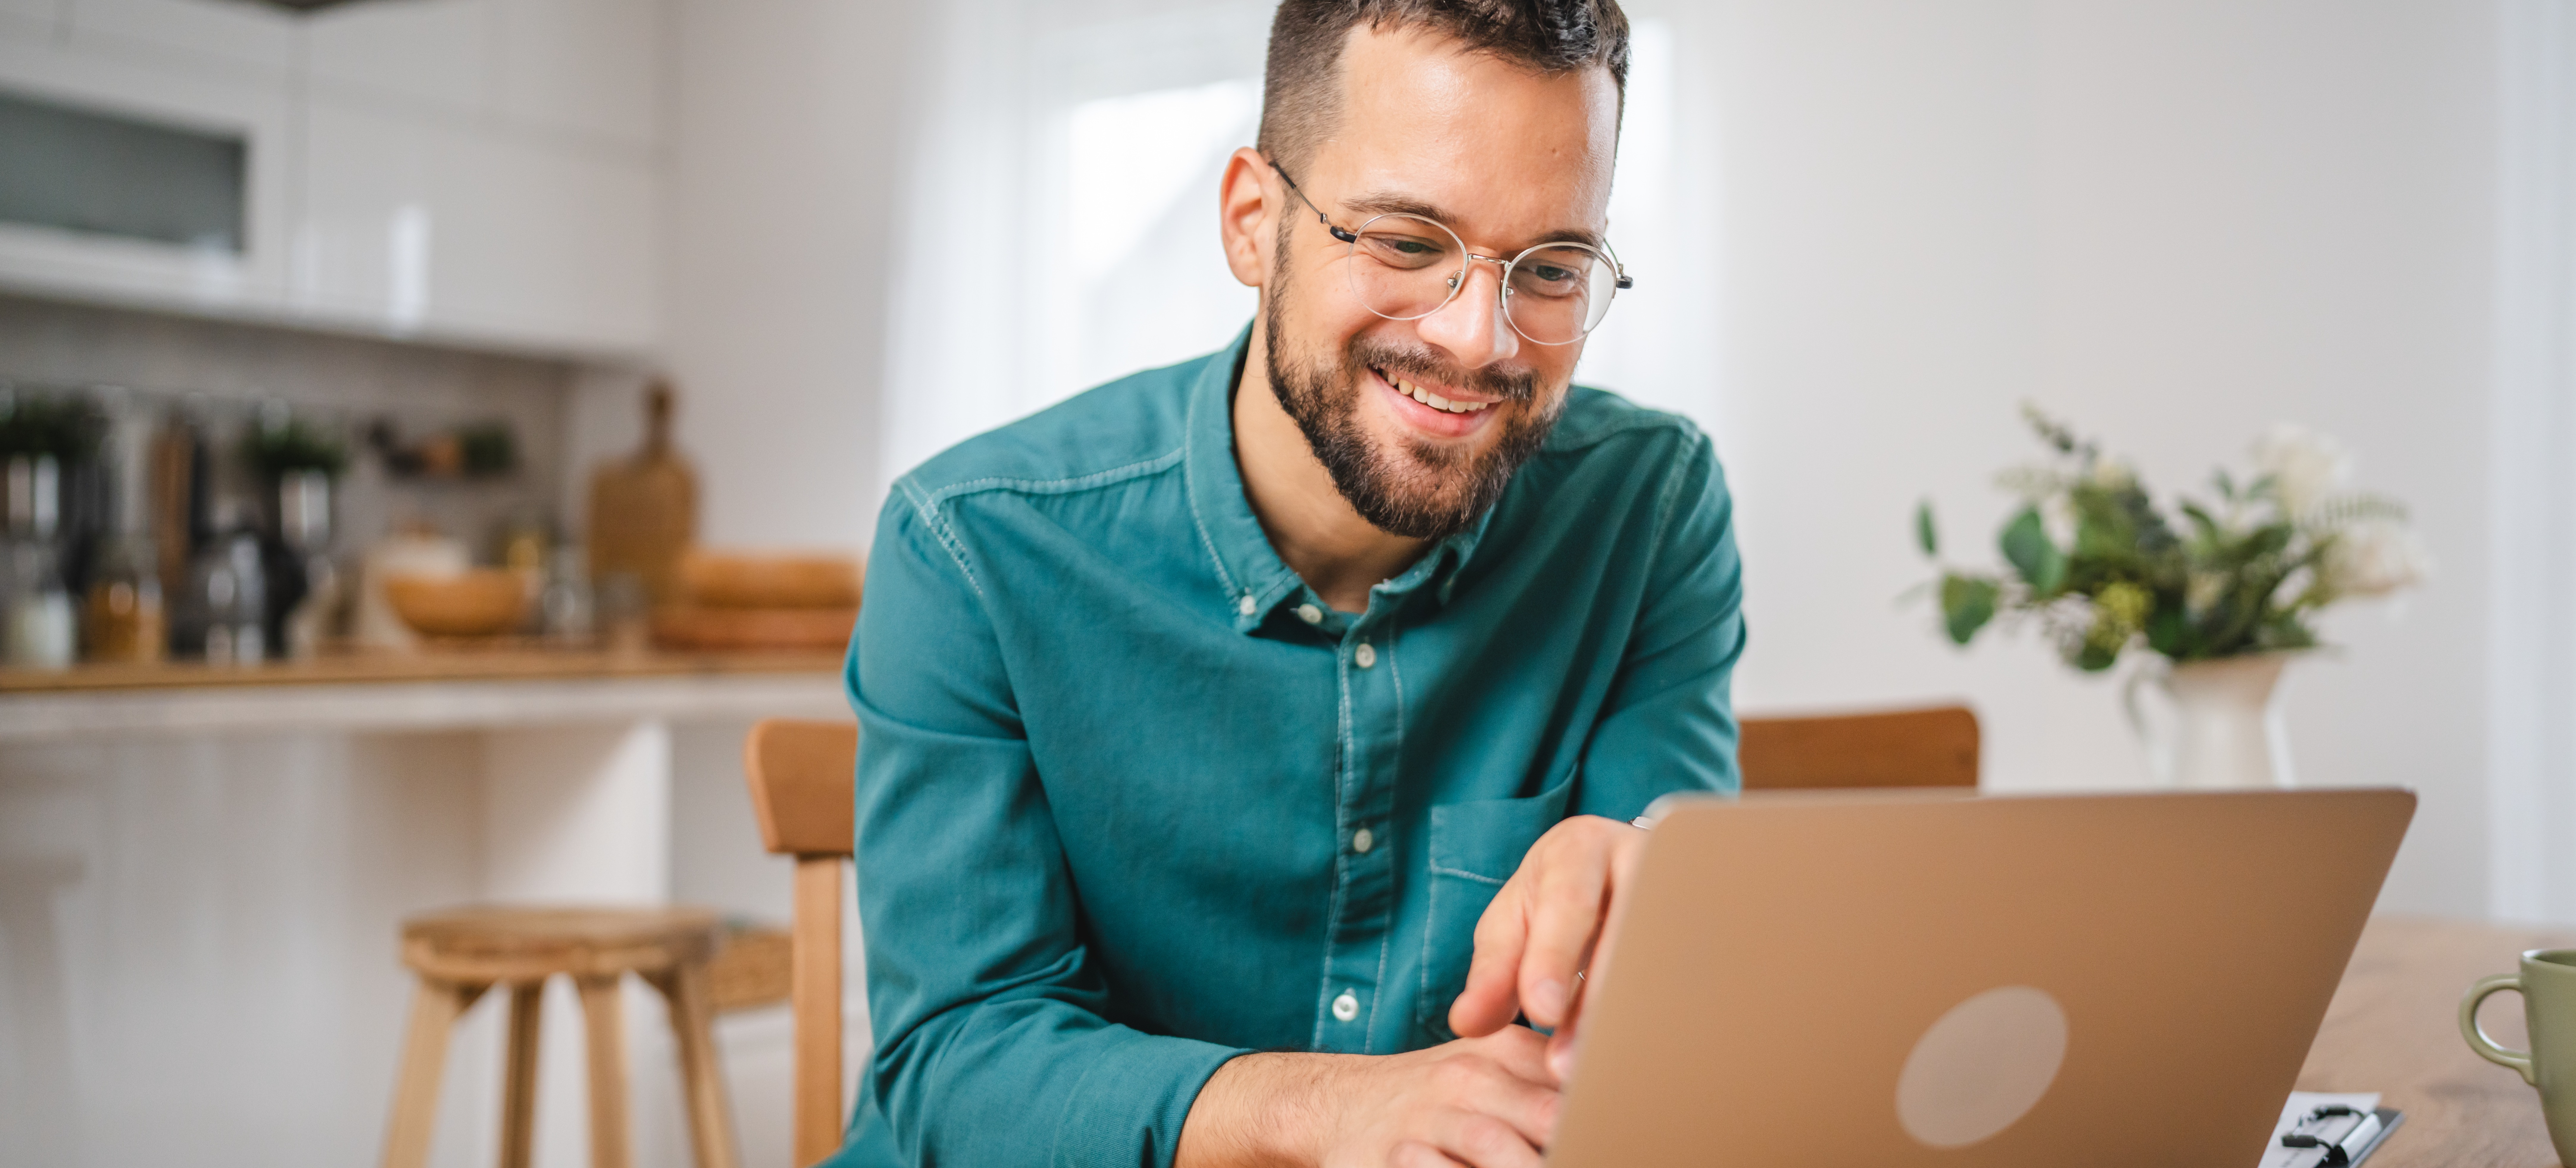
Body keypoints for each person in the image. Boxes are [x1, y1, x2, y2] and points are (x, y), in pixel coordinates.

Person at [839, 1, 1743, 1165]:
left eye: (1552, 266)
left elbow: (1661, 1009)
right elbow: (956, 1068)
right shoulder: (971, 546)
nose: (1478, 340)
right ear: (1251, 225)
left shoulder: (1647, 506)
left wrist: (1639, 878)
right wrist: (1335, 1114)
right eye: (1407, 242)